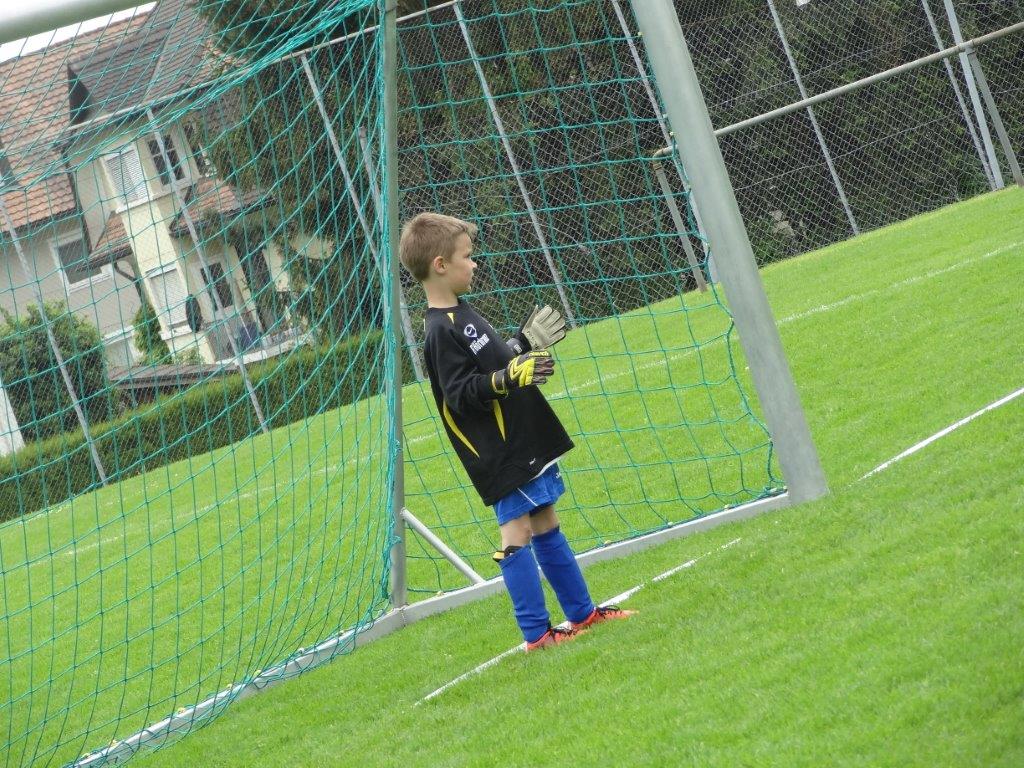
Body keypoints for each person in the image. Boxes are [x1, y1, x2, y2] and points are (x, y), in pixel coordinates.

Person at [398, 212, 634, 650]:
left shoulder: (462, 312)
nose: (475, 264)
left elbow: (488, 362)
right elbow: (459, 393)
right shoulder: (438, 330)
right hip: (498, 452)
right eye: (467, 257)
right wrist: (507, 377)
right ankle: (537, 635)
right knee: (516, 533)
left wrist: (520, 346)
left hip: (523, 439)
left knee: (545, 519)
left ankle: (582, 614)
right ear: (440, 265)